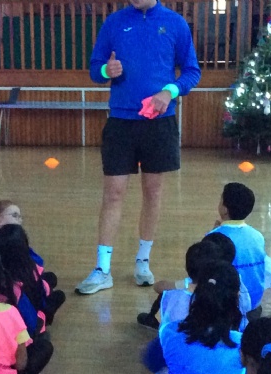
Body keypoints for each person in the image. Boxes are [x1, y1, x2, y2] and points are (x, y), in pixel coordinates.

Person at [75, 0, 201, 295]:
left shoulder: (175, 23)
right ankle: (102, 269)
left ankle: (143, 262)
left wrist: (169, 91)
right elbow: (95, 69)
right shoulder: (114, 22)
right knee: (113, 193)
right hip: (120, 121)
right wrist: (106, 70)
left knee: (153, 192)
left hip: (159, 123)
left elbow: (191, 72)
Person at [208, 182, 265, 320]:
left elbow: (206, 269)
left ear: (225, 209)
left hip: (230, 307)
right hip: (255, 303)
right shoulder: (257, 235)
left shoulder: (215, 236)